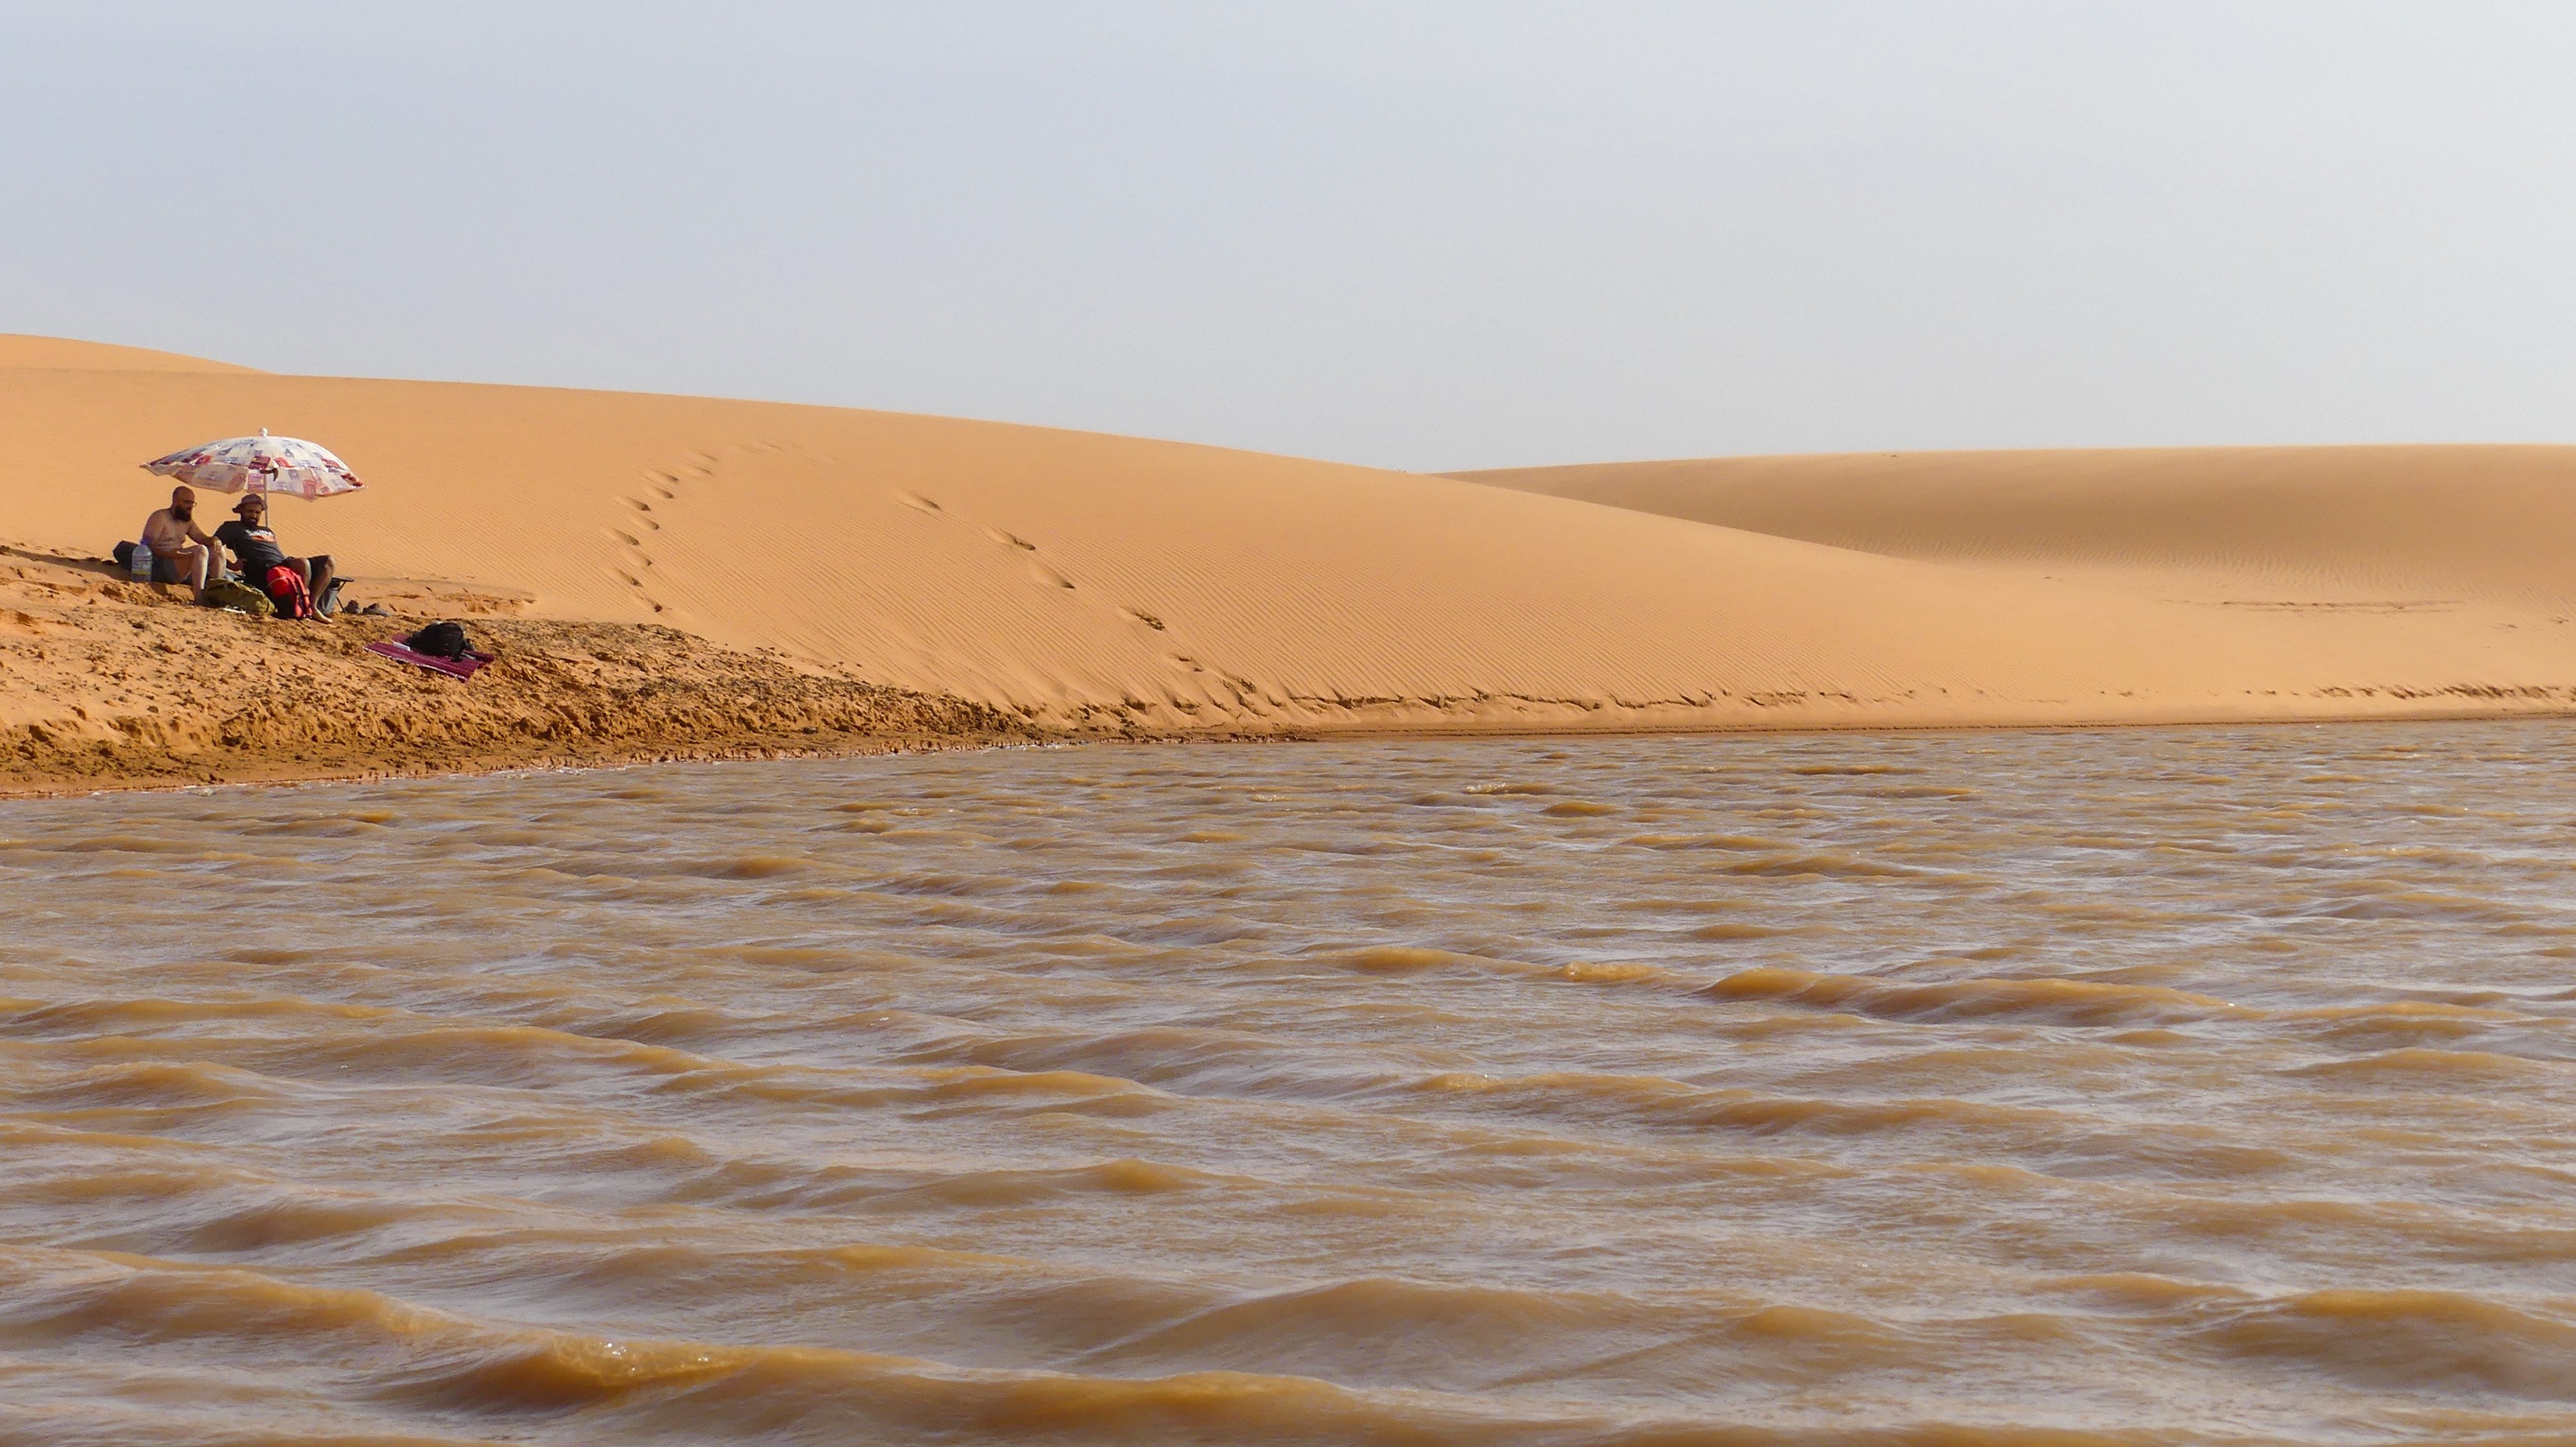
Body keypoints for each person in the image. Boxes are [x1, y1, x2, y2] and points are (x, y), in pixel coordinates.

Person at [215, 494, 339, 617]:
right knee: (302, 563)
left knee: (329, 562)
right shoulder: (231, 527)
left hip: (283, 564)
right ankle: (299, 605)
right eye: (250, 511)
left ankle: (312, 605)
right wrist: (232, 565)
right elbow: (214, 549)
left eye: (258, 513)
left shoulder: (267, 530)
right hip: (263, 571)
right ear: (241, 510)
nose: (254, 515)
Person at [137, 485, 222, 601]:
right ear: (175, 501)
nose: (190, 507)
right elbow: (147, 545)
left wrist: (214, 540)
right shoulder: (160, 516)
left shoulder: (187, 521)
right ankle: (199, 597)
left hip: (180, 563)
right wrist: (173, 554)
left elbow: (201, 538)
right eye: (187, 502)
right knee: (200, 550)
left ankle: (217, 594)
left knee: (218, 549)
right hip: (162, 565)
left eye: (192, 503)